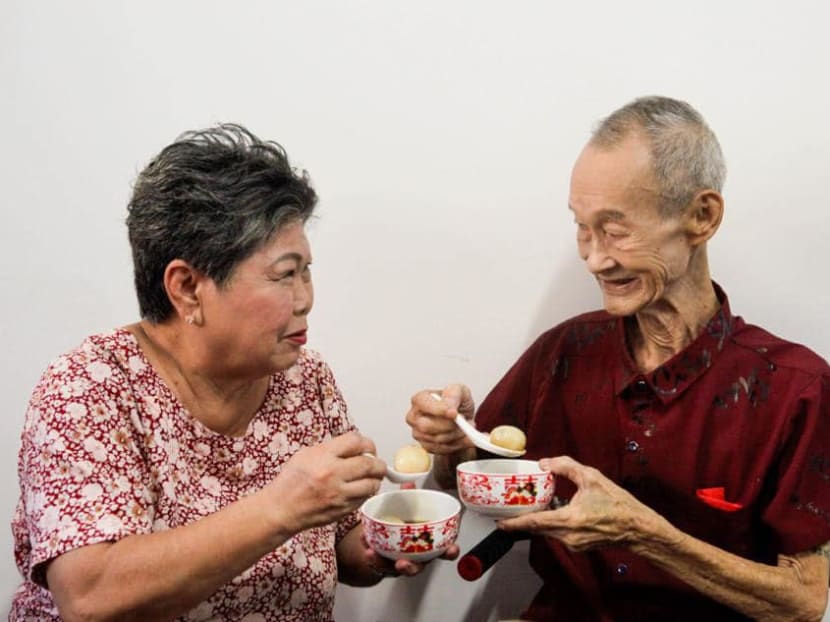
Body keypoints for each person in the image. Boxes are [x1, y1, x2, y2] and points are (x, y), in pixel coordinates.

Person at [406, 96, 830, 621]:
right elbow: (468, 476)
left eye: (615, 228)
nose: (594, 257)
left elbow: (805, 602)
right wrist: (453, 441)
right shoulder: (563, 354)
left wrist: (646, 535)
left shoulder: (795, 388)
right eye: (582, 227)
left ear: (702, 216)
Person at [11, 124, 456, 622]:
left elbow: (341, 545)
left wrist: (384, 547)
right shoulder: (89, 389)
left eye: (307, 270)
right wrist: (280, 508)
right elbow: (91, 599)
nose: (307, 298)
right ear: (186, 288)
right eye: (285, 274)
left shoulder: (305, 381)